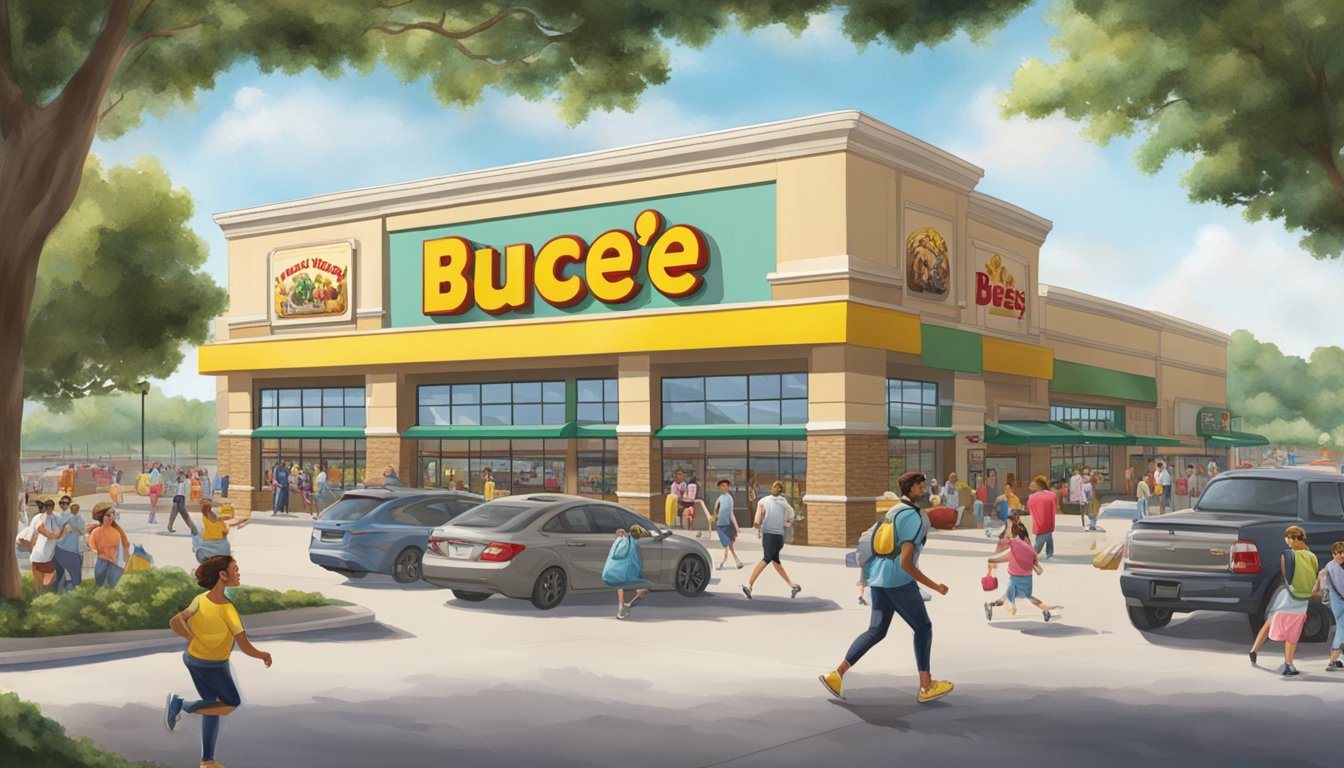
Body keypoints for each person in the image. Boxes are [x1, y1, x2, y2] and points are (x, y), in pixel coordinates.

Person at [818, 472, 953, 704]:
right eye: (921, 487)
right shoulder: (912, 516)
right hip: (898, 581)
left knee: (876, 631)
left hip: (878, 579)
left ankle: (836, 675)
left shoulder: (893, 511)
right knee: (923, 627)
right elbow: (906, 562)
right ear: (911, 490)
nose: (924, 490)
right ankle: (926, 686)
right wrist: (935, 586)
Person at [164, 556, 273, 768]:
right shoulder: (227, 609)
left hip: (193, 660)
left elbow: (176, 621)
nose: (239, 573)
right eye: (235, 569)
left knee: (211, 706)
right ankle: (180, 704)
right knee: (231, 702)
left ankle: (207, 761)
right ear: (223, 575)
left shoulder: (200, 599)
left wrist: (192, 639)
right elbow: (243, 644)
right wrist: (262, 655)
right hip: (213, 665)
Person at [1249, 526, 1319, 676]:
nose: (1287, 542)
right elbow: (1314, 576)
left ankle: (1254, 650)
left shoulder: (1287, 555)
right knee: (1293, 632)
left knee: (1269, 623)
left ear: (1294, 539)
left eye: (1288, 538)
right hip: (1302, 599)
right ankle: (1288, 664)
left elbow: (1285, 575)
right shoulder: (1312, 556)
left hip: (1287, 596)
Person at [985, 520, 1061, 621]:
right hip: (1028, 580)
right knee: (1022, 597)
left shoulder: (1015, 544)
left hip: (1016, 579)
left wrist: (992, 560)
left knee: (1014, 598)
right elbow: (1034, 562)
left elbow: (1005, 548)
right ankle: (1047, 610)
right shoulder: (1028, 547)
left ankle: (1044, 612)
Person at [742, 481, 800, 599]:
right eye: (774, 486)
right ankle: (793, 586)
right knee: (775, 561)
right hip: (778, 536)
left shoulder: (765, 501)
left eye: (776, 487)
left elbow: (757, 520)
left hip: (770, 534)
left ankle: (749, 586)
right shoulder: (782, 502)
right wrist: (786, 523)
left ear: (779, 490)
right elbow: (791, 515)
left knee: (767, 558)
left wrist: (757, 526)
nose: (774, 489)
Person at [602, 528, 652, 620]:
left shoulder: (619, 542)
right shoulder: (634, 545)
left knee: (620, 584)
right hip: (629, 575)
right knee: (645, 587)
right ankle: (627, 605)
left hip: (613, 573)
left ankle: (621, 606)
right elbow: (637, 562)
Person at [24, 499, 66, 591]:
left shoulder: (57, 516)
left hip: (51, 551)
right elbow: (41, 530)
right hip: (40, 551)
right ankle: (39, 590)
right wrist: (53, 535)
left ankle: (49, 590)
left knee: (51, 574)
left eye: (51, 508)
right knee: (38, 572)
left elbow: (64, 527)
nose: (49, 510)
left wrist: (58, 534)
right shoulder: (41, 517)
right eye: (47, 508)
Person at [87, 502, 131, 588]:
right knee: (99, 584)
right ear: (101, 517)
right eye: (108, 515)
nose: (111, 517)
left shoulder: (117, 531)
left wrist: (125, 561)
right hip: (102, 562)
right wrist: (102, 554)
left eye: (113, 515)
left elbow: (126, 545)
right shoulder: (96, 532)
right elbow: (93, 547)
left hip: (115, 563)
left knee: (111, 586)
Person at [52, 500, 88, 593]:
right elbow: (83, 532)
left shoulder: (70, 519)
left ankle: (62, 588)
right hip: (71, 550)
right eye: (72, 509)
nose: (73, 510)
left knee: (62, 573)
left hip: (62, 548)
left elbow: (62, 534)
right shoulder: (74, 519)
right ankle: (71, 589)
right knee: (75, 575)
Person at [1320, 541, 1344, 672]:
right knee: (1342, 628)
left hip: (1336, 599)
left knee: (1341, 627)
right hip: (1338, 600)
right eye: (1337, 553)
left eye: (1342, 552)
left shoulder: (1329, 566)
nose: (1341, 555)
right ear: (1333, 554)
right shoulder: (1331, 566)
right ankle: (1332, 661)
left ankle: (1339, 659)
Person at [713, 479, 742, 569]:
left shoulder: (730, 499)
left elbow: (731, 514)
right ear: (719, 488)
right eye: (722, 486)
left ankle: (724, 562)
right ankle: (734, 561)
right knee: (728, 545)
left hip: (728, 525)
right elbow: (715, 513)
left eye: (726, 486)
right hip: (720, 527)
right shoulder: (718, 499)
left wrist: (737, 527)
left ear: (728, 487)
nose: (724, 487)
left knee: (729, 545)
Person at [1027, 475, 1057, 559]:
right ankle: (1049, 553)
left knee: (1039, 544)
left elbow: (1030, 510)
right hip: (1049, 523)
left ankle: (1033, 555)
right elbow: (1054, 507)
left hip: (1040, 525)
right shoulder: (1052, 495)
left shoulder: (1032, 498)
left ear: (1038, 485)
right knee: (1049, 537)